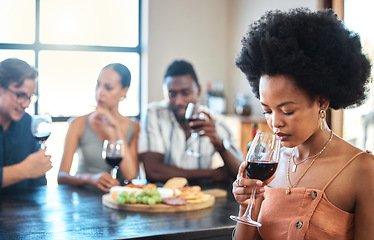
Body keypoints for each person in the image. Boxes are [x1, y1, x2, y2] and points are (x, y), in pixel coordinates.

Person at [231, 8, 374, 239]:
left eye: (287, 111)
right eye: (267, 110)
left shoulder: (363, 170)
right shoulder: (270, 165)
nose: (275, 122)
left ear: (322, 101)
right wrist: (249, 204)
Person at [138, 59, 242, 185]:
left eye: (185, 93)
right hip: (162, 198)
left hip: (201, 197)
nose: (179, 101)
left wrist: (219, 144)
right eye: (172, 94)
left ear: (198, 90)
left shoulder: (217, 122)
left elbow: (239, 173)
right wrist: (210, 173)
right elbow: (153, 171)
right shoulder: (154, 113)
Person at [58, 63, 139, 192]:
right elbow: (61, 176)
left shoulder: (134, 126)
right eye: (98, 85)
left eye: (108, 87)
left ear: (124, 91)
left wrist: (115, 128)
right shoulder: (78, 124)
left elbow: (131, 175)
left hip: (119, 201)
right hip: (85, 199)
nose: (100, 92)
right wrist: (90, 178)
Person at [0, 58, 52, 192]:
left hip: (23, 210)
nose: (26, 104)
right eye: (20, 95)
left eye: (29, 97)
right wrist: (24, 170)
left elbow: (39, 182)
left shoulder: (27, 122)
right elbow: (30, 170)